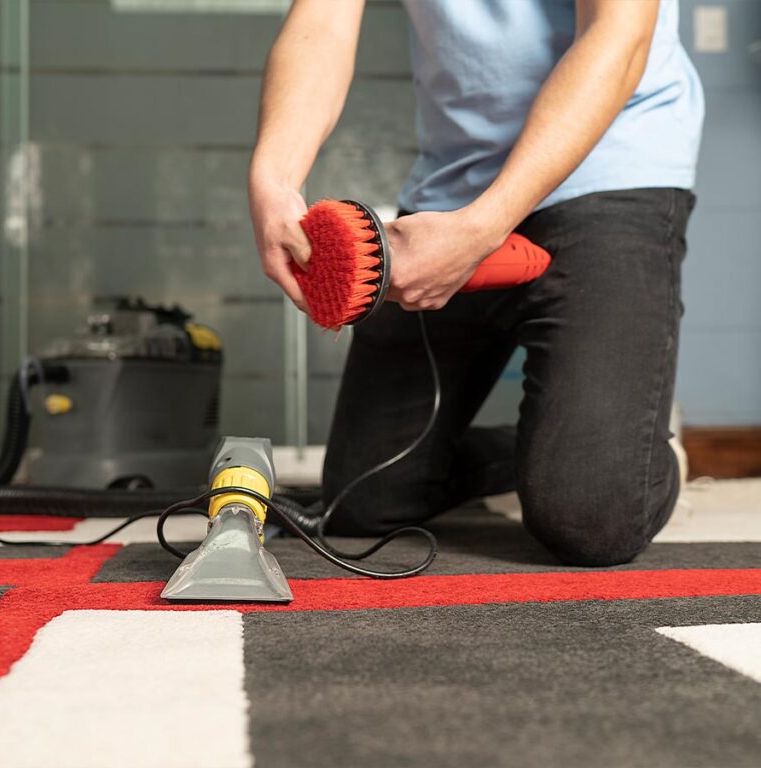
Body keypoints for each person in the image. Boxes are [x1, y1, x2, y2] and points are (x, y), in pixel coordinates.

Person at [248, 0, 703, 566]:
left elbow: (620, 33)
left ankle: (627, 455)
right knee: (363, 500)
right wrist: (273, 178)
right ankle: (563, 445)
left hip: (611, 170)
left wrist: (485, 226)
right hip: (451, 187)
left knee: (591, 517)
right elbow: (322, 22)